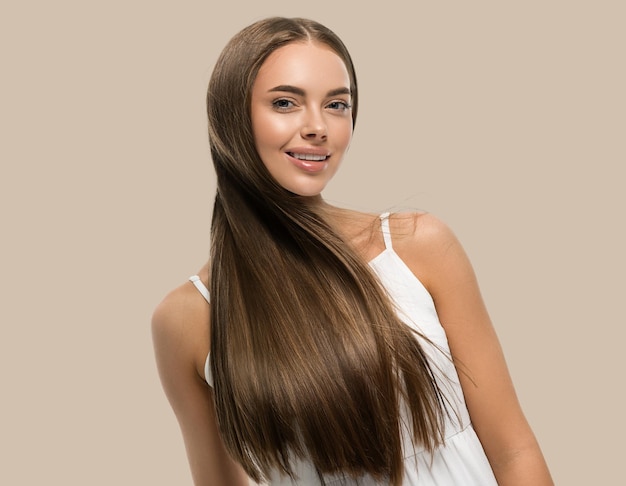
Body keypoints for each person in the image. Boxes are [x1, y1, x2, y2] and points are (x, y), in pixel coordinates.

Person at [152, 17, 553, 486]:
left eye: (337, 105)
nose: (318, 127)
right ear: (231, 116)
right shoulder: (187, 318)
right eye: (285, 103)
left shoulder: (417, 247)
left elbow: (513, 450)